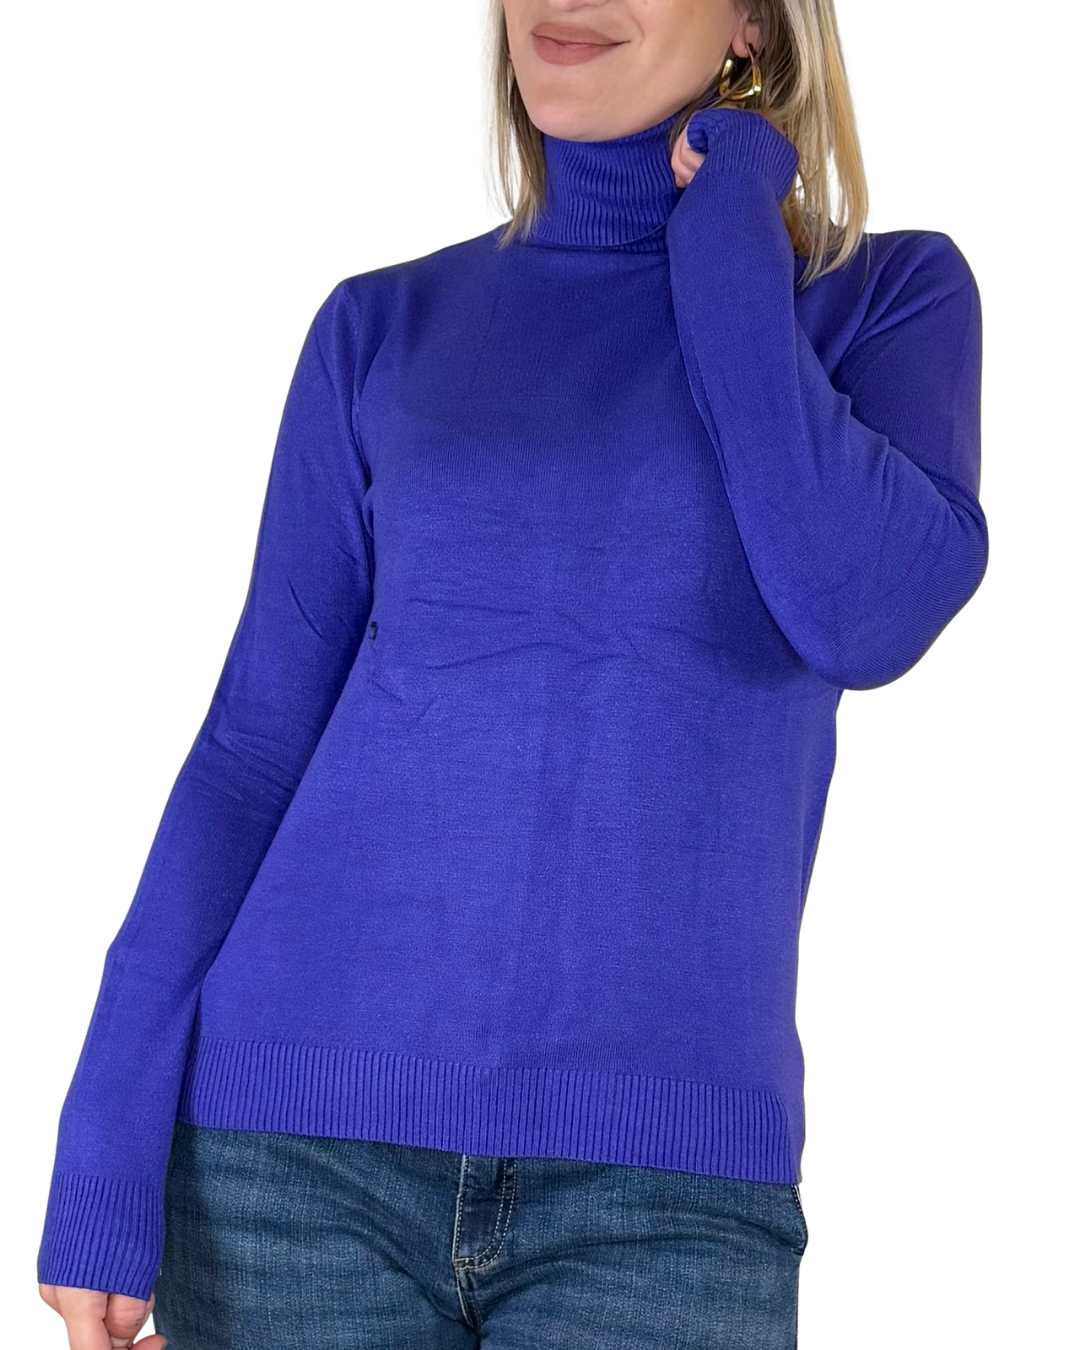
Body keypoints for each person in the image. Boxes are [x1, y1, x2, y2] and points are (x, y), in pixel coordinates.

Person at [36, 1, 990, 1346]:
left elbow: (865, 612)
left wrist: (726, 230)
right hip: (289, 1169)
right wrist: (105, 1136)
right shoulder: (382, 327)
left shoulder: (883, 301)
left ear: (754, 24)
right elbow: (253, 750)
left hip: (666, 1195)